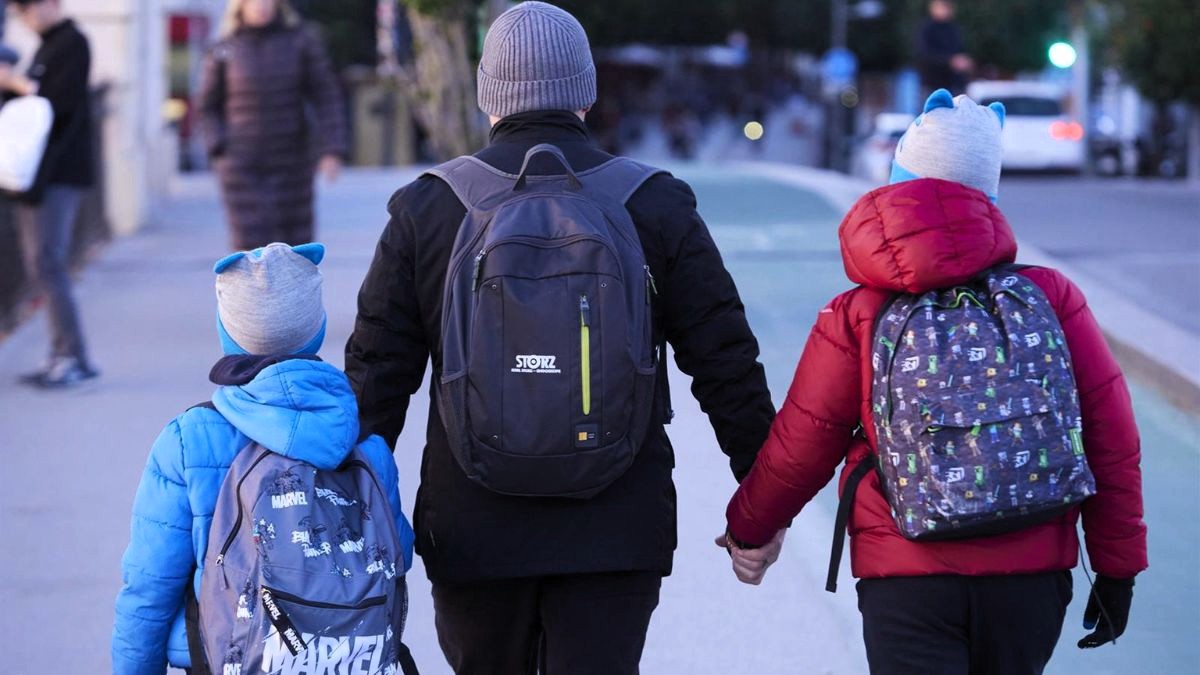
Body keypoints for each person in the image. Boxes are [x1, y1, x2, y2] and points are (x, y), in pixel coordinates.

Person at [344, 3, 775, 673]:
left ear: (490, 95)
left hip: (472, 528)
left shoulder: (428, 208)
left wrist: (351, 514)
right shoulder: (654, 202)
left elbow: (374, 376)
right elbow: (725, 360)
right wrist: (761, 501)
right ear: (586, 90)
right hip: (616, 527)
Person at [721, 91, 1147, 675]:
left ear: (897, 185)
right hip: (1031, 575)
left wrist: (750, 528)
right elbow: (1109, 437)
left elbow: (804, 441)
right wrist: (1117, 567)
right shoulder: (1050, 297)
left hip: (906, 578)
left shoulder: (860, 312)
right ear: (988, 197)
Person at [111, 242, 415, 675]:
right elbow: (395, 554)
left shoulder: (188, 440)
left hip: (225, 659)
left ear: (228, 332)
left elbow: (148, 587)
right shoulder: (365, 447)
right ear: (317, 329)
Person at [195, 0, 347, 250]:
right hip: (241, 166)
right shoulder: (225, 48)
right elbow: (207, 105)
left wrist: (332, 149)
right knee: (250, 254)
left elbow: (326, 95)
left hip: (292, 164)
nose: (261, 6)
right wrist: (218, 148)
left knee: (294, 250)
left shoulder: (300, 42)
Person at [1, 0, 96, 387]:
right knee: (41, 263)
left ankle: (72, 356)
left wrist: (14, 83)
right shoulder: (48, 44)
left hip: (58, 172)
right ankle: (61, 353)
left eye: (28, 8)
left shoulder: (72, 42)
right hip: (39, 175)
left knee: (48, 262)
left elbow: (57, 104)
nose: (25, 17)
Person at [918, 0, 972, 96]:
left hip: (954, 83)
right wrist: (950, 61)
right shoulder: (927, 29)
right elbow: (925, 54)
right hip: (933, 83)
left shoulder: (954, 29)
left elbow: (960, 49)